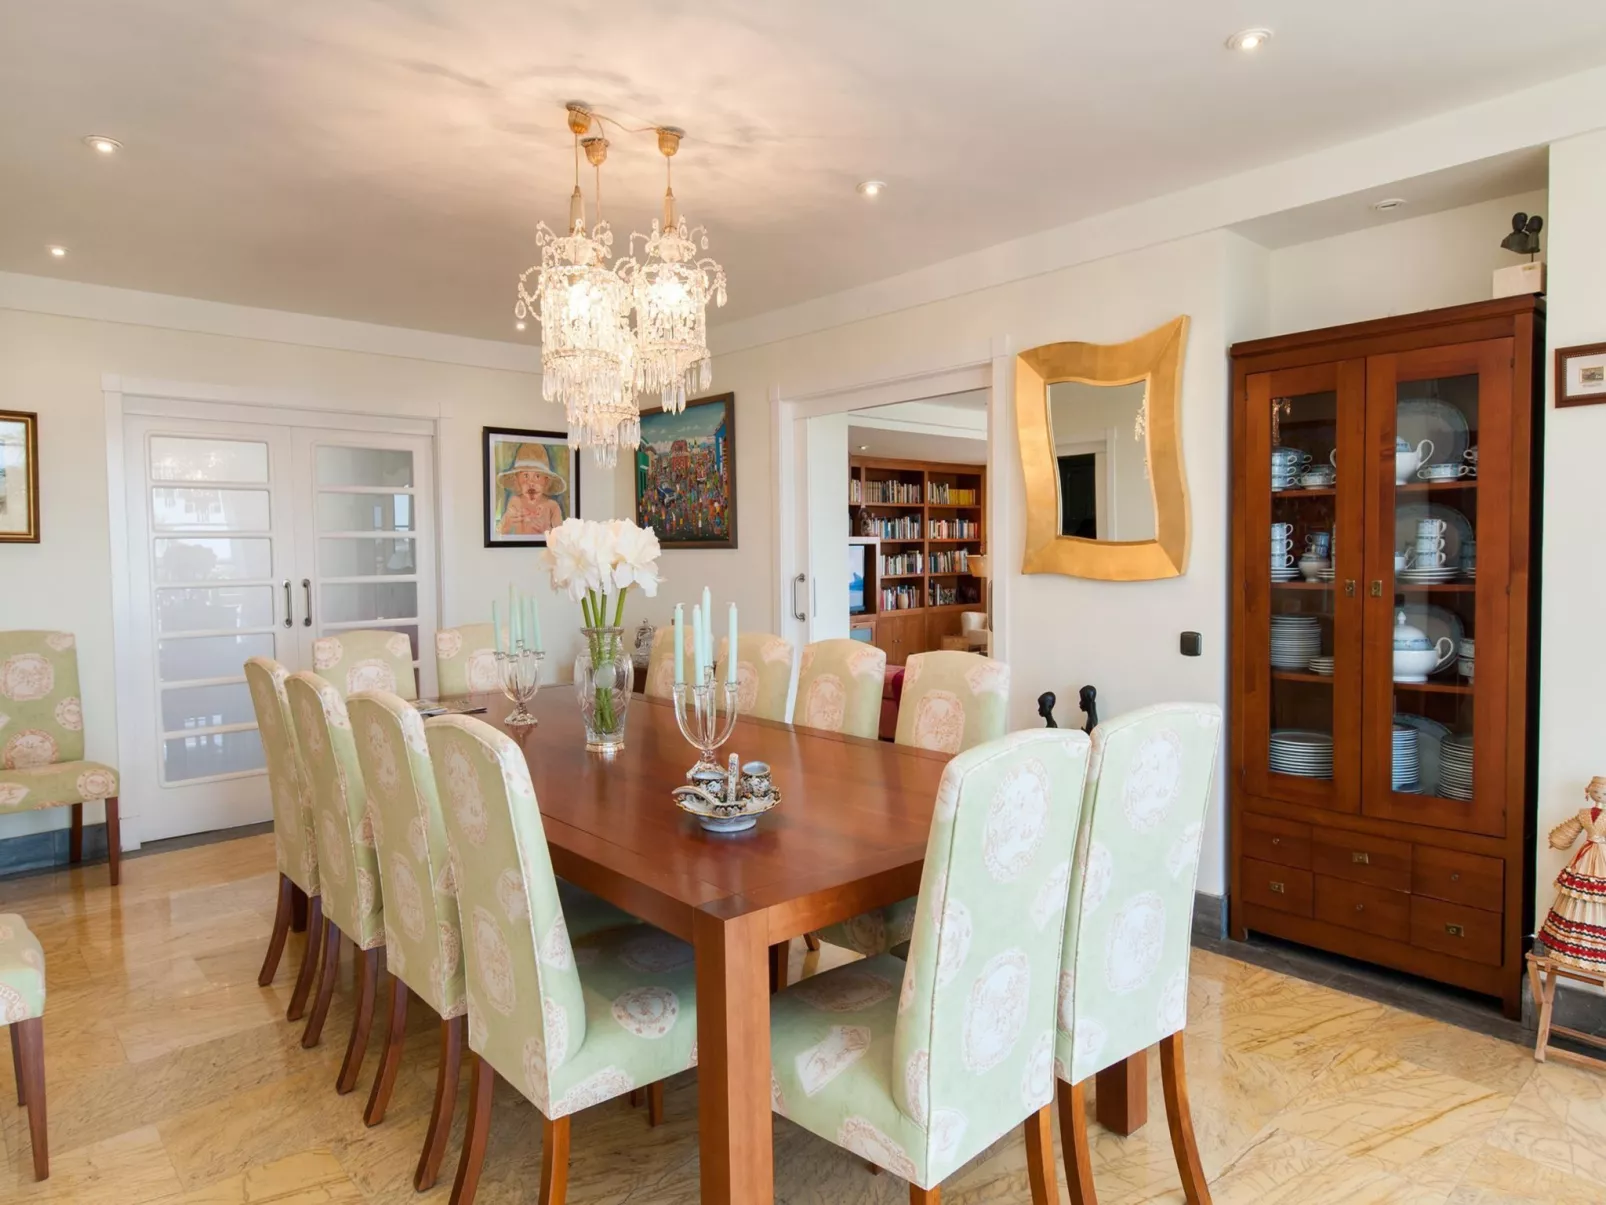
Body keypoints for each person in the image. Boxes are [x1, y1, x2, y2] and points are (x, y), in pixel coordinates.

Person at [1539, 776, 1606, 974]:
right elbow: (1570, 830)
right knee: (1578, 893)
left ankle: (1595, 950)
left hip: (1600, 858)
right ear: (1589, 791)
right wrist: (1557, 840)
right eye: (1596, 792)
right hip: (1586, 857)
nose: (1599, 796)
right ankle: (1569, 946)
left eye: (1603, 793)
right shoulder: (1584, 814)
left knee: (1594, 894)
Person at [496, 443, 567, 536]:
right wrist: (507, 522)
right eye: (526, 476)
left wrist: (547, 529)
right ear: (517, 479)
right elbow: (499, 533)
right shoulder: (515, 502)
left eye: (537, 476)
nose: (531, 482)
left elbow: (562, 537)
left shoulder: (552, 506)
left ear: (546, 480)